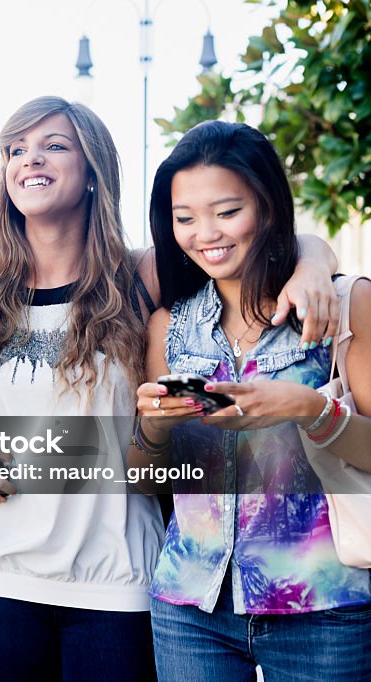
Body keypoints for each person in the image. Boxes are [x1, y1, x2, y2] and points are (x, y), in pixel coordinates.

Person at [0, 97, 340, 681]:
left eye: (54, 145)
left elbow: (241, 248)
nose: (30, 160)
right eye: (15, 150)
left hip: (119, 580)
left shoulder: (139, 275)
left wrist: (315, 261)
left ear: (93, 169)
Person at [134, 119, 371, 681]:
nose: (205, 233)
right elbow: (145, 479)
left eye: (226, 211)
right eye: (185, 217)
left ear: (266, 205)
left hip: (324, 606)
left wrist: (307, 409)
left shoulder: (343, 303)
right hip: (190, 606)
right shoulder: (169, 326)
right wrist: (155, 429)